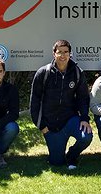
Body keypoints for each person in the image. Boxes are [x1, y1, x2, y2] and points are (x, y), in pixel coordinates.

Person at [29, 40, 92, 170]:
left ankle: (72, 155)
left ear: (70, 54)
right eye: (59, 52)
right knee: (56, 162)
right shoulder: (43, 73)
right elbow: (34, 102)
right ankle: (59, 153)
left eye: (66, 52)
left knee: (86, 137)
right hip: (51, 125)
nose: (63, 55)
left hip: (70, 120)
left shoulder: (77, 72)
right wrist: (42, 126)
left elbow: (83, 98)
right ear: (54, 54)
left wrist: (85, 118)